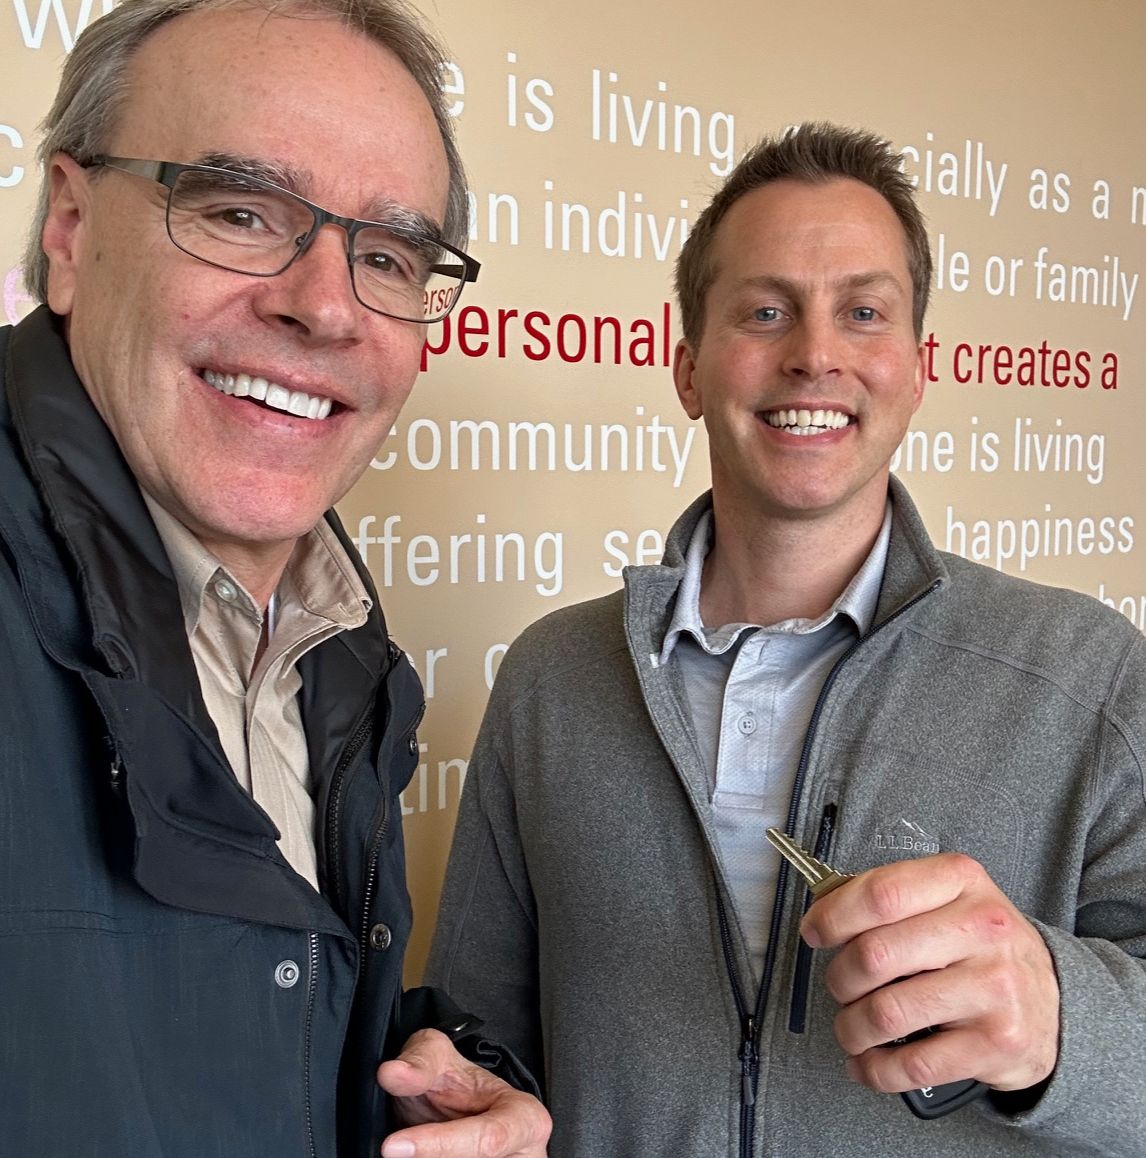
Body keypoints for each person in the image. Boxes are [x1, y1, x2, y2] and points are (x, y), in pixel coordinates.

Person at [427, 122, 1146, 1156]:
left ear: (915, 368)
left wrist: (1064, 1023)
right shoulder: (551, 678)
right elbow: (481, 1033)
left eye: (863, 312)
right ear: (686, 369)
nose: (814, 354)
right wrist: (467, 1089)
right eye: (766, 311)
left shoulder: (1091, 676)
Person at [0, 1, 552, 1155]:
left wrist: (420, 1081)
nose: (325, 304)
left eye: (390, 256)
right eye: (243, 212)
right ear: (68, 226)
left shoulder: (333, 645)